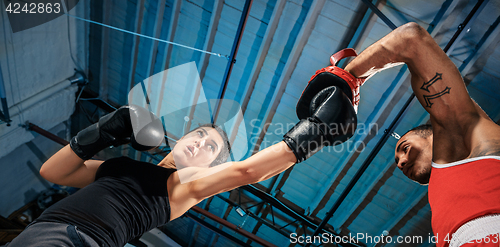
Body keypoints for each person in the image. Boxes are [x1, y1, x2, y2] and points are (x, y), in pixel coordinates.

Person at [5, 77, 358, 246]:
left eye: (211, 148)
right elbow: (53, 172)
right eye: (199, 136)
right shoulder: (121, 167)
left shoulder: (184, 186)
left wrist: (316, 131)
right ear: (181, 138)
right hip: (39, 229)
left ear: (208, 167)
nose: (201, 143)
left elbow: (247, 171)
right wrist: (104, 129)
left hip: (81, 239)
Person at [334, 22, 499, 247]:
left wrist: (345, 80)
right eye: (398, 161)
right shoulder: (454, 189)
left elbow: (410, 39)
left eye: (404, 148)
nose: (401, 163)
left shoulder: (461, 134)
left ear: (431, 135)